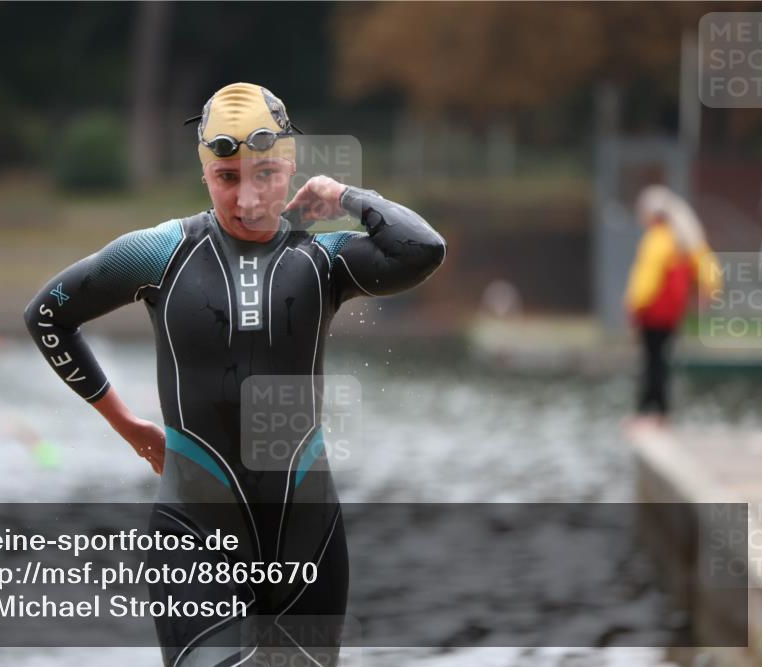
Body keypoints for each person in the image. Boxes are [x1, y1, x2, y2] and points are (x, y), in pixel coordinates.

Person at [24, 82, 446, 666]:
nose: (248, 197)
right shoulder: (159, 253)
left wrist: (347, 194)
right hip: (195, 529)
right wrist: (128, 426)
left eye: (267, 174)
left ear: (294, 167)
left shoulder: (322, 258)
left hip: (307, 534)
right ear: (205, 175)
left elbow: (422, 249)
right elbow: (47, 317)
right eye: (227, 177)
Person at [624, 185, 721, 427]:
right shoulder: (684, 240)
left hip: (653, 314)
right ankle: (659, 413)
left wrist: (633, 306)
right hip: (671, 314)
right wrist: (710, 291)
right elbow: (709, 267)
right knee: (660, 361)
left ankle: (648, 412)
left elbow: (645, 280)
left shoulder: (658, 239)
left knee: (651, 362)